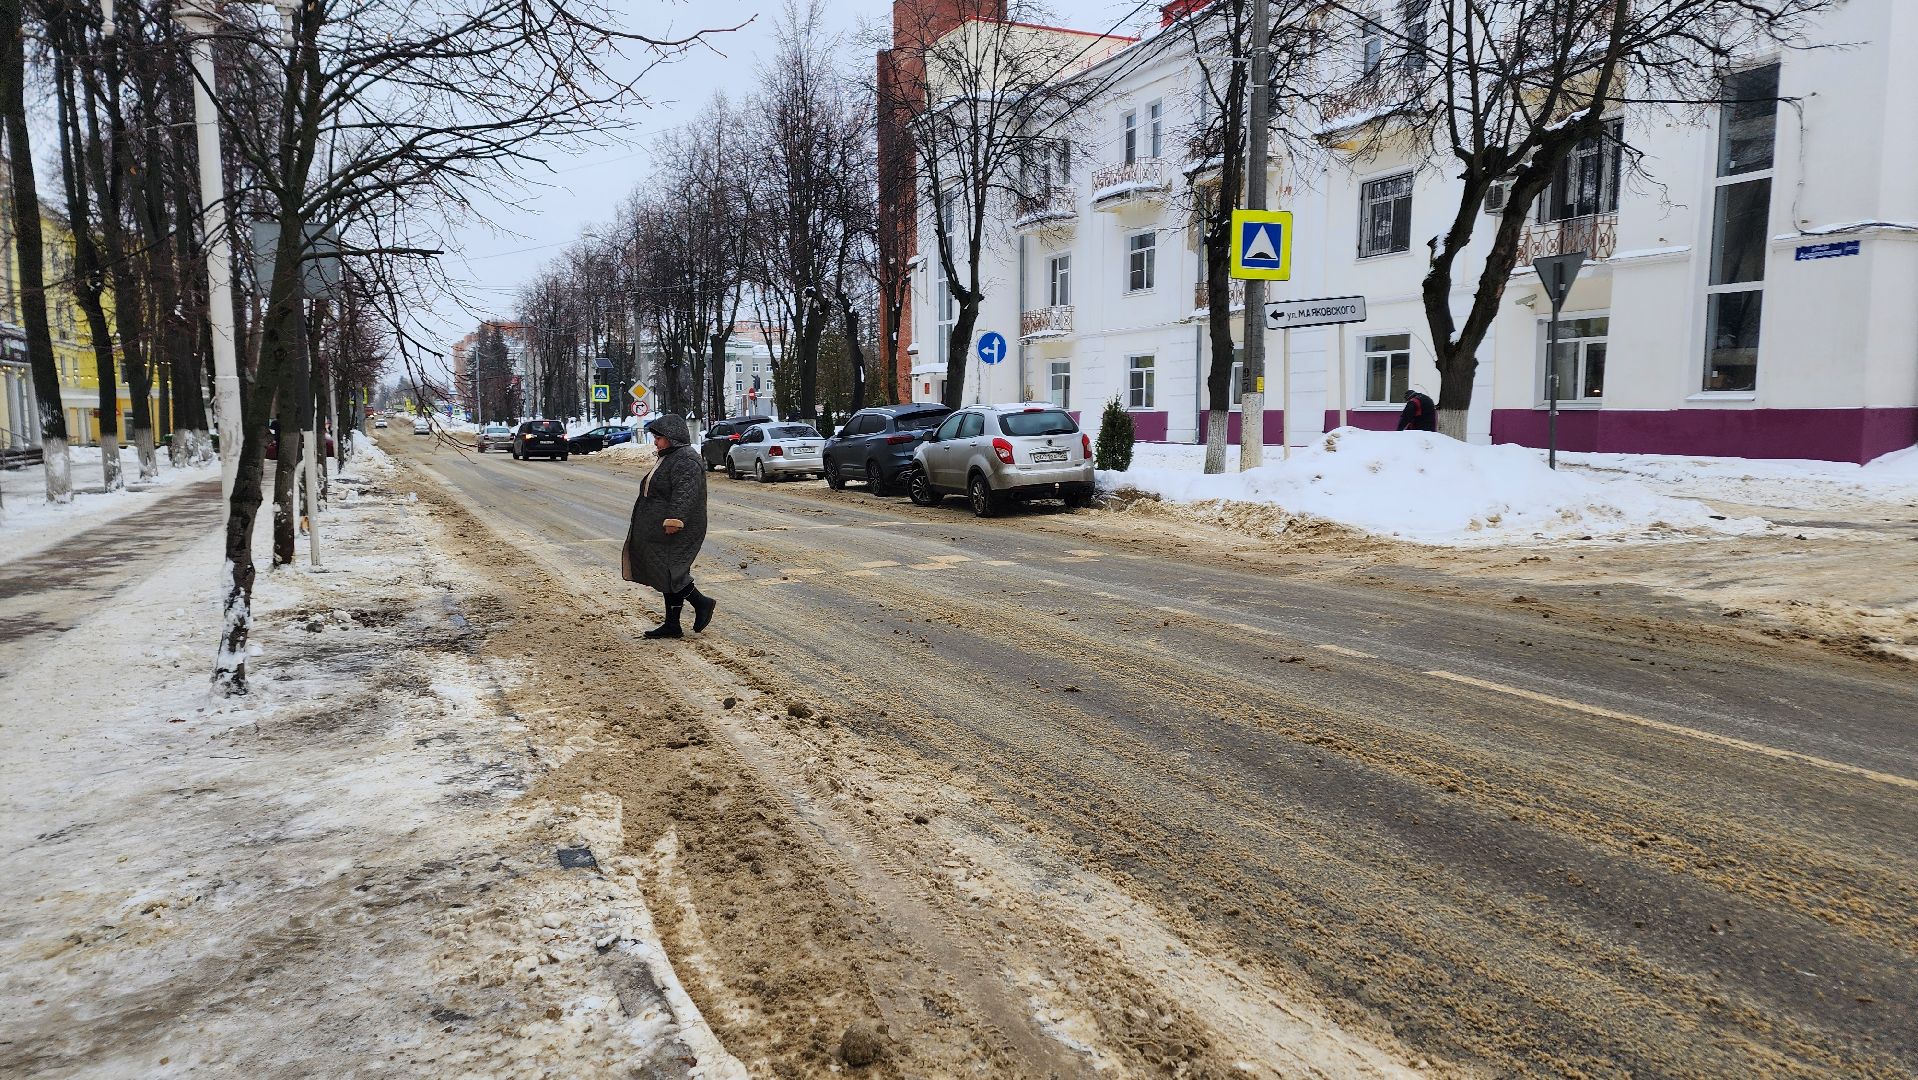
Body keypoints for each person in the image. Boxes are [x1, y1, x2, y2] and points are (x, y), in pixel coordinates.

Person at [622, 414, 715, 639]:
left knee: (671, 570)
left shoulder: (685, 460)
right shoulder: (670, 456)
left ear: (672, 438)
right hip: (661, 527)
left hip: (680, 527)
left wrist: (675, 519)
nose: (655, 442)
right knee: (665, 572)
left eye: (659, 438)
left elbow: (685, 494)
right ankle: (672, 624)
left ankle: (702, 603)